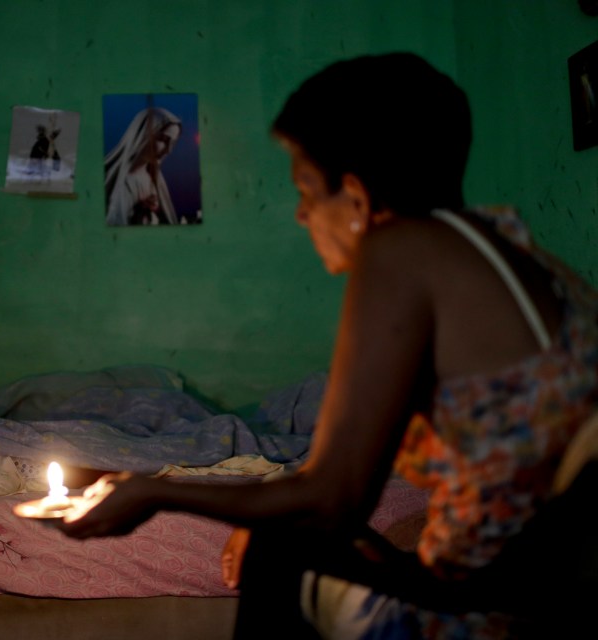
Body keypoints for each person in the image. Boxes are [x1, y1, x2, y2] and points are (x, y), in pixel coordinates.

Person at [59, 51, 598, 638]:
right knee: (287, 529)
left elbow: (331, 498)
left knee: (280, 547)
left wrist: (151, 491)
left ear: (359, 197)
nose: (300, 215)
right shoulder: (523, 258)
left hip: (483, 612)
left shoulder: (397, 251)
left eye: (308, 191)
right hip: (547, 588)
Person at [104, 106, 183, 225]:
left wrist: (155, 209)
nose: (168, 150)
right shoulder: (117, 180)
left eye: (172, 142)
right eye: (163, 139)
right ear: (143, 135)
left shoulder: (153, 177)